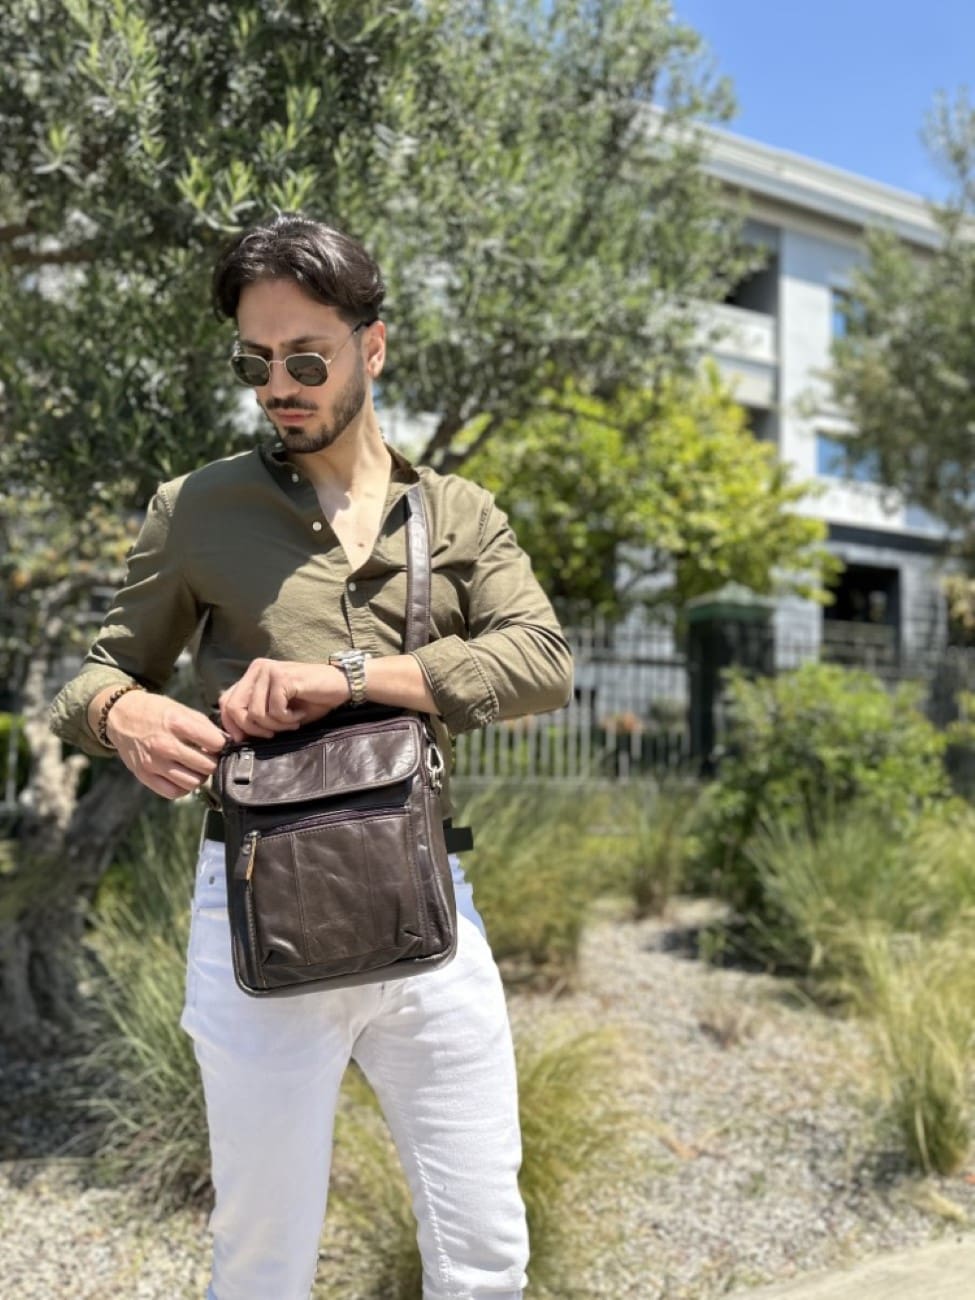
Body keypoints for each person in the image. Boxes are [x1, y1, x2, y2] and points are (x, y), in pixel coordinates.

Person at [49, 213, 574, 1300]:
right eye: (255, 362)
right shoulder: (197, 509)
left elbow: (541, 661)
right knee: (262, 1265)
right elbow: (93, 679)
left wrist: (349, 676)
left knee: (486, 1258)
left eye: (305, 358)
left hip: (429, 911)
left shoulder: (457, 513)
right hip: (254, 908)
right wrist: (125, 717)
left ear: (371, 347)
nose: (277, 386)